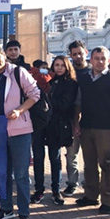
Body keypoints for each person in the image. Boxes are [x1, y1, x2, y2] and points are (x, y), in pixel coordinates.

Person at [0, 44, 40, 219]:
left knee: (20, 174)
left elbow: (35, 94)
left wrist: (20, 110)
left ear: (4, 55)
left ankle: (24, 213)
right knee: (2, 172)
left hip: (19, 131)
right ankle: (6, 208)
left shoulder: (18, 72)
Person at [30, 56, 78, 206]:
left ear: (67, 67)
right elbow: (36, 71)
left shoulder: (70, 83)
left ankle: (56, 190)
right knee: (38, 158)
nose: (58, 68)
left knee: (55, 159)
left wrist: (46, 98)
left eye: (61, 65)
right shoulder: (48, 78)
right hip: (40, 123)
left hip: (56, 124)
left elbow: (65, 104)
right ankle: (39, 190)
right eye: (56, 65)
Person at [74, 46, 110, 214]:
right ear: (91, 60)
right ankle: (90, 195)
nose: (100, 61)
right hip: (87, 126)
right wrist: (76, 123)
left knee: (107, 165)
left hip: (106, 128)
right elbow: (78, 102)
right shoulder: (84, 78)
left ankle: (108, 200)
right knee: (89, 164)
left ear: (108, 60)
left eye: (103, 58)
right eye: (97, 58)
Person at [63, 40, 91, 196]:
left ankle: (90, 183)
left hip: (91, 120)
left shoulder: (94, 71)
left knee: (90, 155)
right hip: (70, 120)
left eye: (80, 53)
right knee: (71, 154)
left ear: (85, 52)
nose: (78, 56)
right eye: (74, 54)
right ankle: (72, 183)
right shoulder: (69, 73)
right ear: (71, 55)